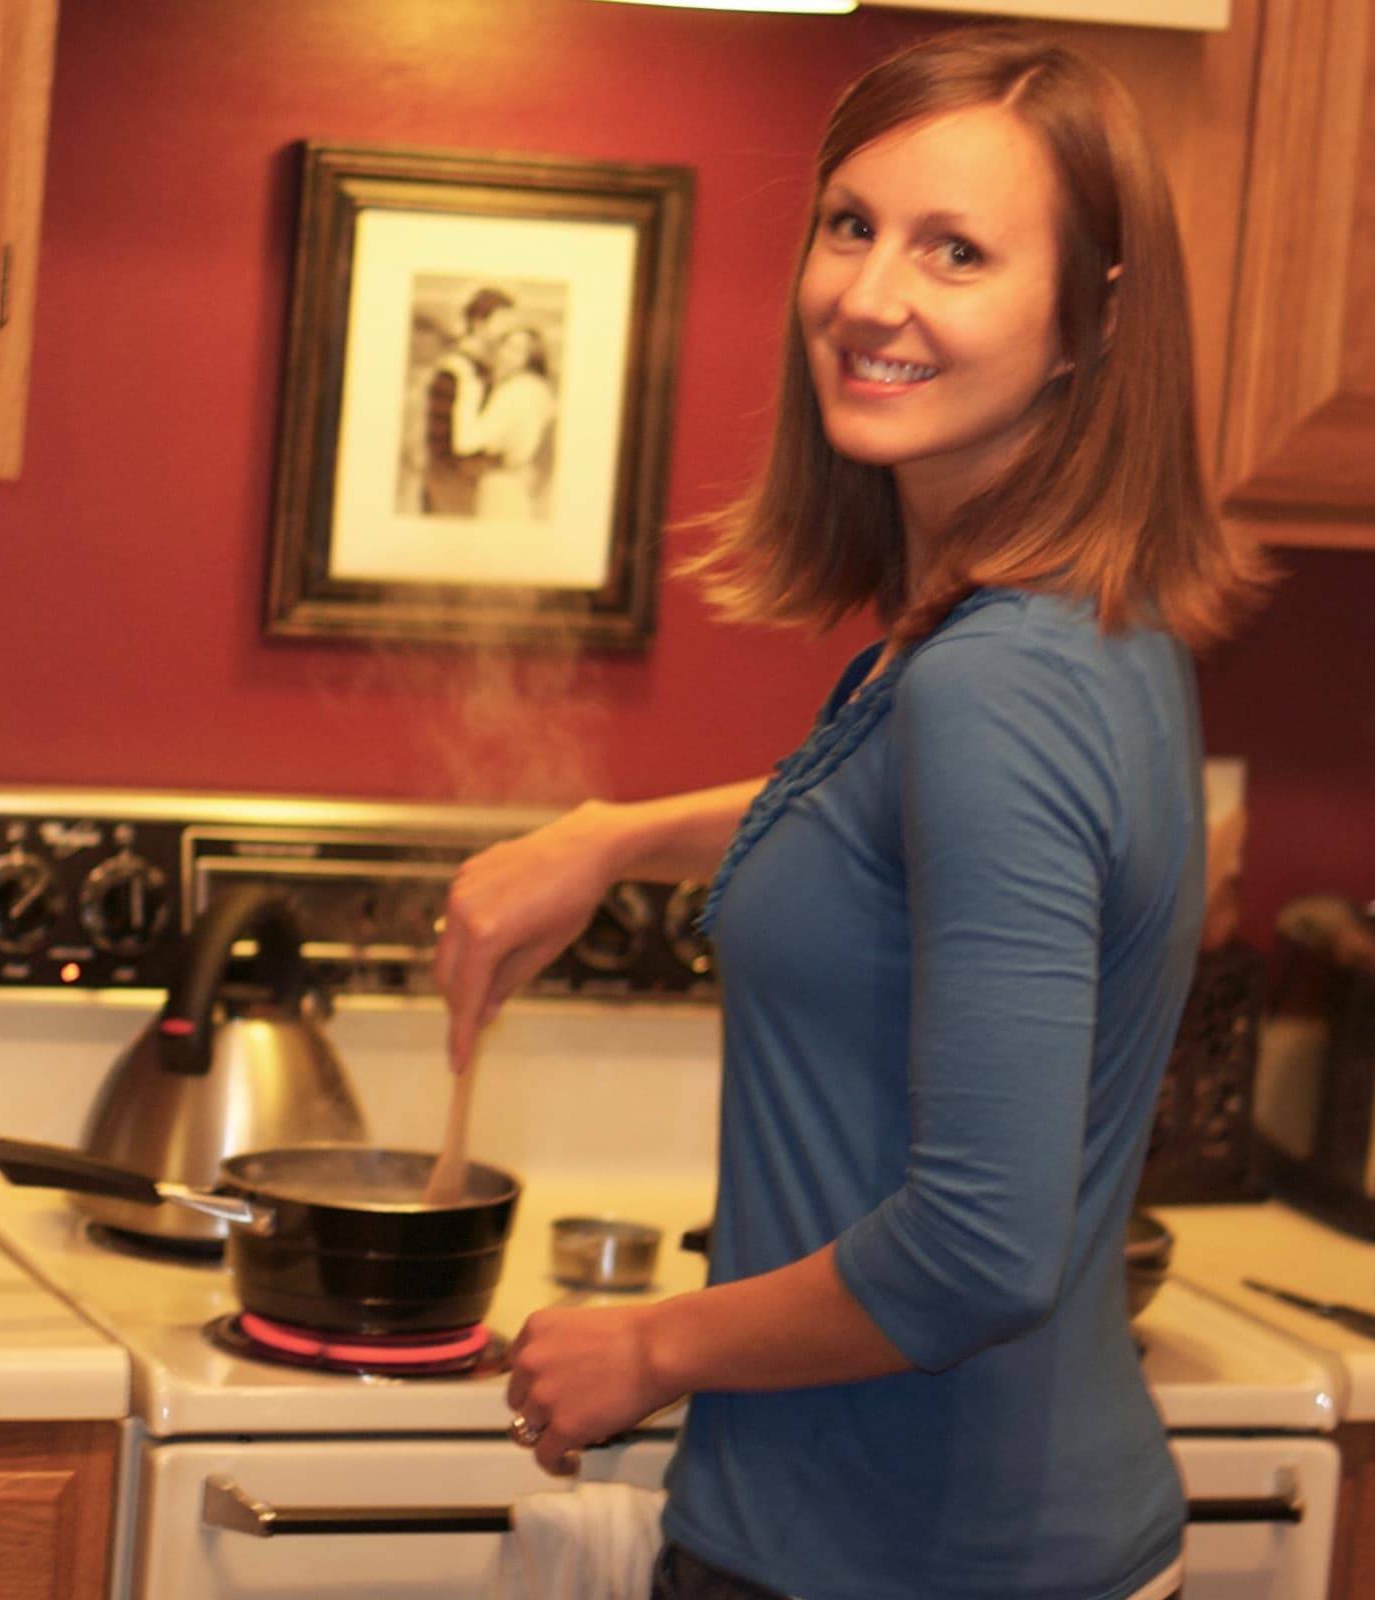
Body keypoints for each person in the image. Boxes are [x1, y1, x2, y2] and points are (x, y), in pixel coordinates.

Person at [434, 25, 1269, 1600]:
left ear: (1090, 320)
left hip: (894, 1557)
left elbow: (977, 1249)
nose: (873, 296)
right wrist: (612, 834)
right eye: (852, 224)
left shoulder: (992, 682)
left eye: (958, 251)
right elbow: (905, 828)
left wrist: (649, 1345)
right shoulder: (1063, 627)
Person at [447, 324, 558, 520]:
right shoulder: (542, 390)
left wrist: (467, 386)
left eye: (515, 349)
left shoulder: (513, 391)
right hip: (526, 487)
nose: (504, 354)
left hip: (502, 485)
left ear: (532, 357)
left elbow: (465, 442)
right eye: (504, 346)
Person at [422, 286, 515, 516]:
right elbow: (448, 442)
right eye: (501, 322)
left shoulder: (480, 368)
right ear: (479, 323)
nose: (507, 332)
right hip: (450, 481)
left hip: (466, 477)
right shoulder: (458, 370)